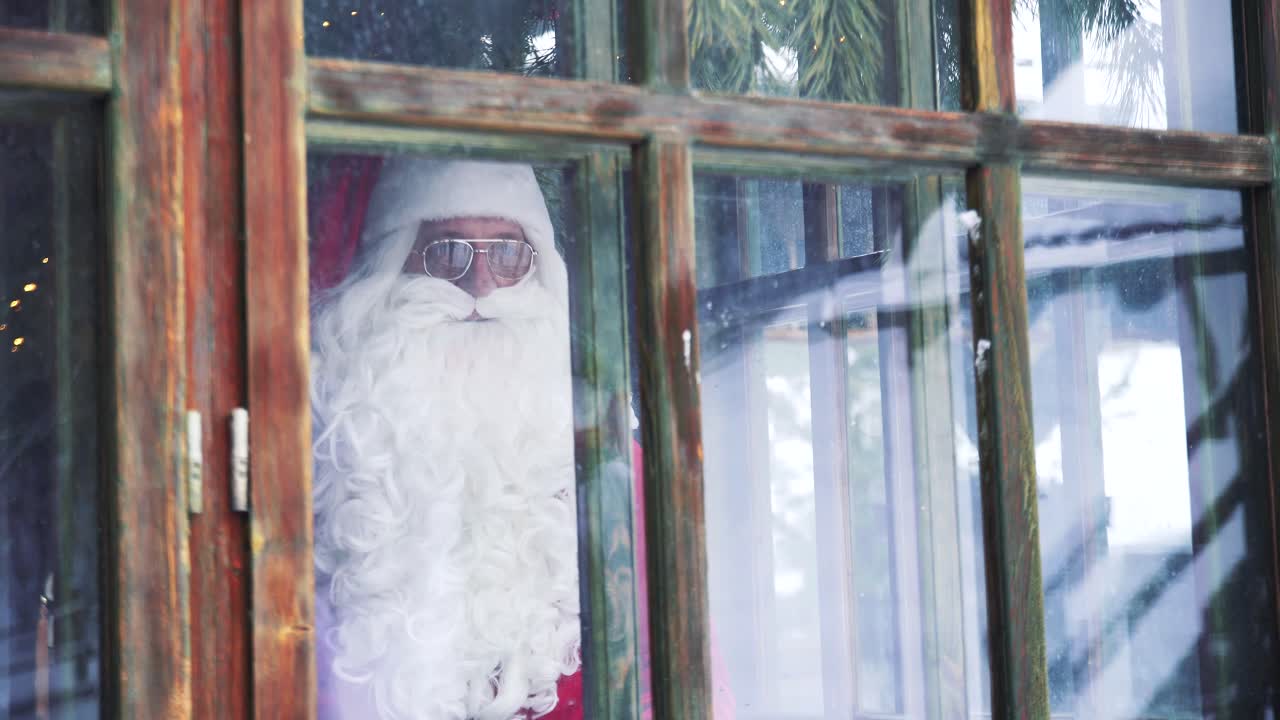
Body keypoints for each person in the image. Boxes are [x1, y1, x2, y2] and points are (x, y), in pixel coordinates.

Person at [309, 157, 585, 720]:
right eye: (447, 253)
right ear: (393, 272)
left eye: (508, 256)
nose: (480, 286)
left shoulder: (602, 470)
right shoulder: (318, 471)